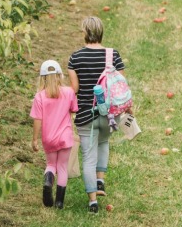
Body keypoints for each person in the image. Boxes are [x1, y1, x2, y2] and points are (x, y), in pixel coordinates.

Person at [68, 17, 128, 214]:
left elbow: (75, 89)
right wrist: (129, 109)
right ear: (101, 32)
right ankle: (100, 180)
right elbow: (121, 85)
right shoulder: (113, 54)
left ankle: (93, 202)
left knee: (88, 157)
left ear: (85, 32)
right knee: (104, 143)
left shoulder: (75, 58)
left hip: (86, 115)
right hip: (110, 114)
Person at [30, 59, 78, 210]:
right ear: (59, 75)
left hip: (48, 138)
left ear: (43, 78)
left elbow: (37, 119)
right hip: (65, 136)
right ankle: (59, 202)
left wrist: (35, 139)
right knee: (62, 167)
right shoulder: (69, 92)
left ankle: (47, 181)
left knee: (51, 165)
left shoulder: (40, 96)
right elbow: (73, 110)